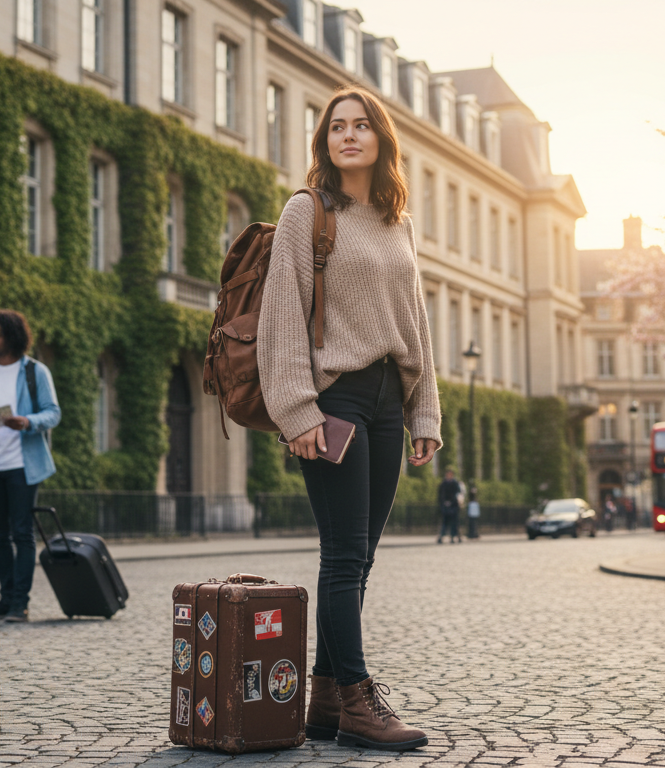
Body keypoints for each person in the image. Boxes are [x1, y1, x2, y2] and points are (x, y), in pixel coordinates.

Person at [259, 86, 438, 752]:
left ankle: (327, 699)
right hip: (335, 398)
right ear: (325, 140)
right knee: (341, 555)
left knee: (360, 557)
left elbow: (415, 321)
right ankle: (360, 702)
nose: (350, 135)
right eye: (338, 127)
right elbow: (282, 312)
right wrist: (296, 409)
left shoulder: (397, 222)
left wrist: (424, 410)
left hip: (389, 397)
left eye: (362, 125)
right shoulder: (307, 211)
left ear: (381, 139)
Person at [0, 310, 60, 624]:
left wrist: (27, 421)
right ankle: (5, 598)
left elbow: (53, 412)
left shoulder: (35, 371)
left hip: (22, 465)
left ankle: (20, 602)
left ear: (12, 337)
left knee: (22, 533)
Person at [436, 469, 462, 544]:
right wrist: (444, 502)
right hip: (445, 506)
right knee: (445, 523)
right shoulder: (443, 484)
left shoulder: (455, 483)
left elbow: (457, 494)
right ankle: (442, 536)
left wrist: (451, 502)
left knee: (454, 522)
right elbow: (440, 495)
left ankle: (453, 537)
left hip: (453, 505)